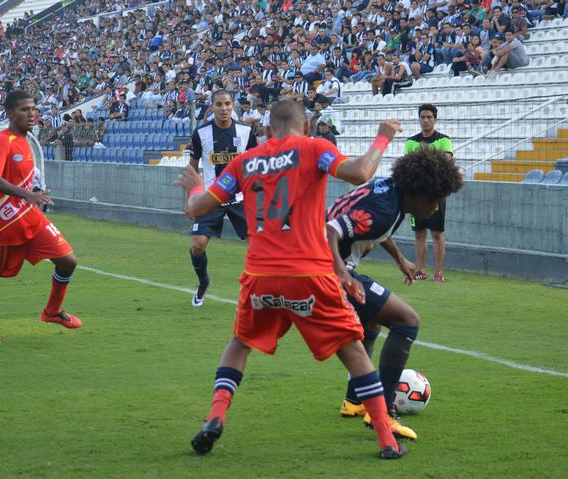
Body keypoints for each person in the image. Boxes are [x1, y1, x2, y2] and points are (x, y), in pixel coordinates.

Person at [177, 100, 409, 460]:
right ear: (306, 128)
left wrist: (194, 186)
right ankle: (386, 441)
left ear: (266, 131)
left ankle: (216, 415)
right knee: (352, 350)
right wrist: (382, 137)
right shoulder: (314, 148)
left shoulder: (245, 161)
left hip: (261, 275)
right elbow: (361, 172)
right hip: (309, 273)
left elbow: (196, 209)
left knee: (240, 343)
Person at [328, 150, 463, 441]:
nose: (436, 208)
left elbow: (375, 226)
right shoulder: (385, 209)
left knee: (372, 320)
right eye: (436, 200)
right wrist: (341, 272)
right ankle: (383, 410)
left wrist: (400, 259)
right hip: (325, 273)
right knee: (407, 320)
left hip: (325, 269)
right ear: (421, 194)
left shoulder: (389, 193)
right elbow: (329, 230)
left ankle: (354, 401)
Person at [0, 90, 82, 344]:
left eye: (33, 109)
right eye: (24, 109)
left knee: (68, 261)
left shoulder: (27, 139)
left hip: (29, 216)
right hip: (2, 224)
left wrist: (31, 196)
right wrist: (28, 194)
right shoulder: (3, 140)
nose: (31, 114)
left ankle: (52, 311)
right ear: (11, 113)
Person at [187, 89, 257, 307]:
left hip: (240, 198)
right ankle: (203, 282)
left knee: (259, 245)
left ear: (233, 106)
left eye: (227, 104)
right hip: (211, 197)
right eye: (219, 104)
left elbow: (255, 164)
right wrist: (190, 200)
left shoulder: (247, 131)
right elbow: (192, 168)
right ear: (212, 107)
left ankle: (256, 288)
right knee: (197, 245)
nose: (224, 108)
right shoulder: (201, 133)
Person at [404, 104, 454, 283]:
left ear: (435, 119)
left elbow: (445, 164)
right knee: (419, 233)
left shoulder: (444, 140)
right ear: (419, 119)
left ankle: (438, 272)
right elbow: (408, 167)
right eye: (423, 117)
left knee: (437, 233)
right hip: (416, 195)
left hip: (436, 195)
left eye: (429, 117)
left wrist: (421, 164)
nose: (425, 120)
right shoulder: (410, 142)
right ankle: (421, 270)